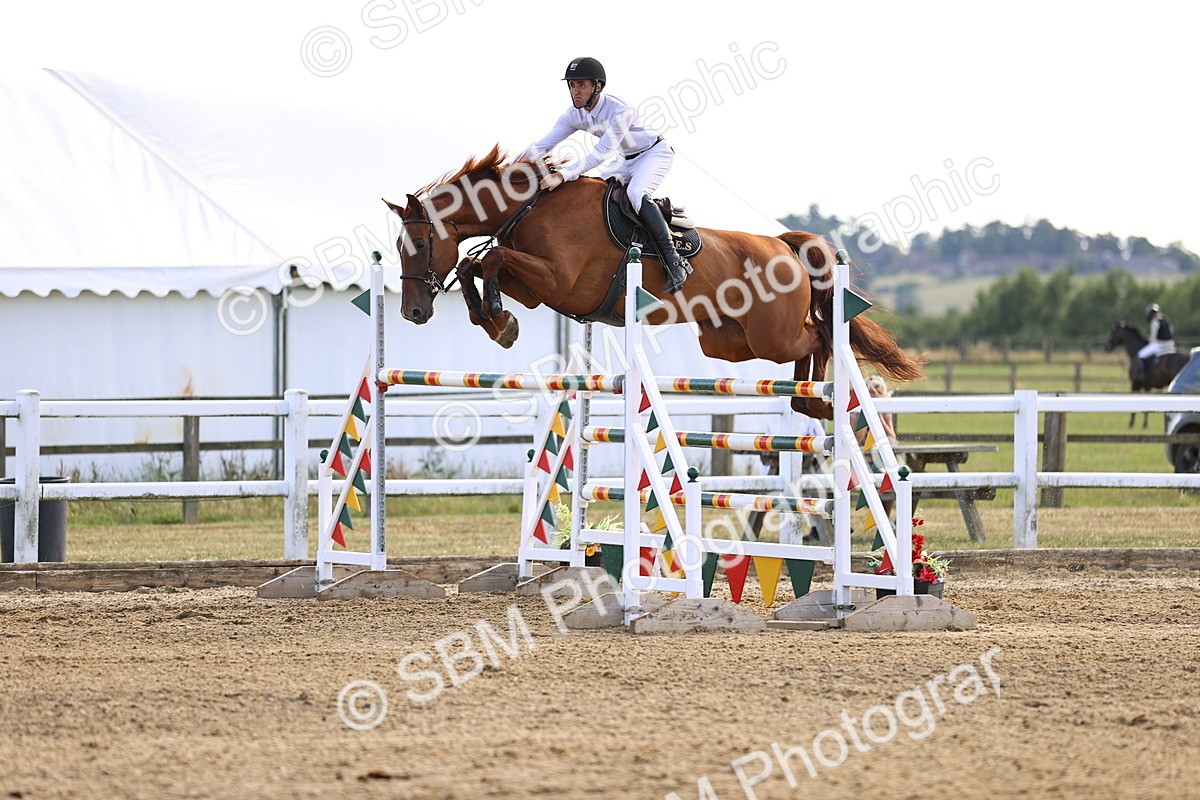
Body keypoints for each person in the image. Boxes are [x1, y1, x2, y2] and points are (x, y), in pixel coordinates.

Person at [516, 57, 692, 293]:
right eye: (571, 85)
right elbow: (543, 146)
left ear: (597, 87)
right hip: (625, 159)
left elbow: (600, 155)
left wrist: (562, 175)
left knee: (636, 193)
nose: (574, 91)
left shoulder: (619, 110)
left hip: (653, 153)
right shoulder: (573, 115)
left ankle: (674, 262)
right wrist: (510, 166)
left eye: (581, 85)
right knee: (596, 191)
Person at [1136, 304, 1176, 381]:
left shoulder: (1154, 322)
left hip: (1160, 345)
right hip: (1171, 345)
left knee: (1140, 354)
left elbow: (1153, 339)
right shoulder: (1166, 320)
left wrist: (1148, 339)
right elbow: (1171, 333)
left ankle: (1143, 375)